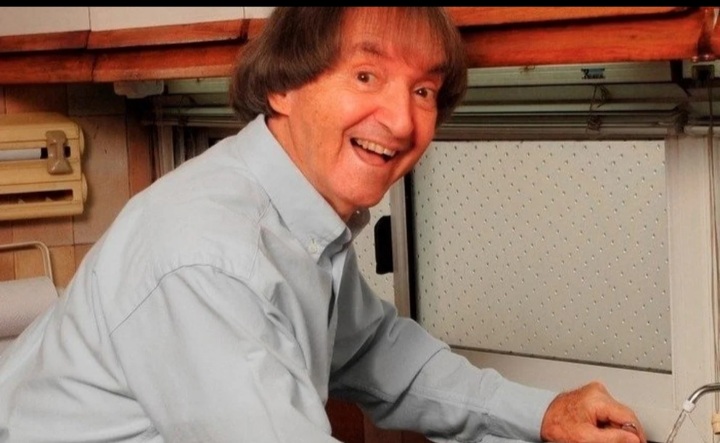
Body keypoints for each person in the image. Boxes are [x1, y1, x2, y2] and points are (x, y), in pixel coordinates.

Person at [0, 7, 647, 443]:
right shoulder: (208, 255)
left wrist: (545, 414)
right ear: (282, 86)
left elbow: (379, 355)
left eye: (423, 90)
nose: (402, 120)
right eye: (366, 75)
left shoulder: (298, 219)